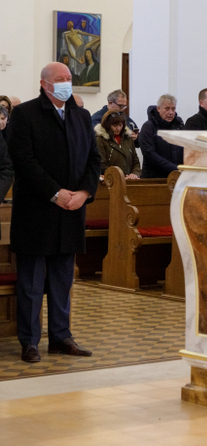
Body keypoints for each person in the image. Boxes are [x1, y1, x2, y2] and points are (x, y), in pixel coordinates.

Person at [7, 62, 100, 363]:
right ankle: (30, 341)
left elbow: (93, 159)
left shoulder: (80, 115)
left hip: (71, 209)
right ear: (44, 84)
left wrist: (84, 193)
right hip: (37, 211)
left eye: (69, 78)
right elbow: (23, 160)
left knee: (62, 280)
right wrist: (55, 192)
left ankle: (61, 337)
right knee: (32, 282)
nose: (66, 83)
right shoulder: (25, 114)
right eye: (60, 79)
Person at [139, 94, 185, 178]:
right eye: (167, 109)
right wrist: (174, 168)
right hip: (154, 178)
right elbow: (149, 154)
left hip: (177, 176)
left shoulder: (179, 126)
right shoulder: (148, 127)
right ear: (158, 108)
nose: (171, 112)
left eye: (173, 109)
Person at [95, 110, 141, 179]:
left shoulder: (128, 139)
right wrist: (119, 177)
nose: (118, 128)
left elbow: (135, 161)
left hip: (129, 179)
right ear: (107, 125)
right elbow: (102, 164)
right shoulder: (100, 140)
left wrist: (135, 174)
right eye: (114, 125)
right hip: (110, 179)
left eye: (120, 125)